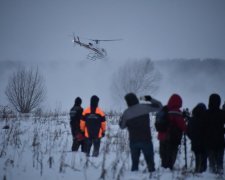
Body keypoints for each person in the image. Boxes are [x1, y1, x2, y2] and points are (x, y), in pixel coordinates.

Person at [119, 93, 162, 172]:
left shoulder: (126, 113)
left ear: (127, 102)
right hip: (146, 140)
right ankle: (152, 176)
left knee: (135, 165)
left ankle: (133, 176)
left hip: (133, 141)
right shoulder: (144, 107)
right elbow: (159, 107)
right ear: (136, 99)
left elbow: (122, 126)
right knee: (150, 164)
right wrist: (149, 99)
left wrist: (121, 119)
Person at [157, 94, 187, 170]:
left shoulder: (164, 110)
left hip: (162, 137)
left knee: (163, 154)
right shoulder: (177, 112)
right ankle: (169, 169)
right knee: (171, 154)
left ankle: (164, 168)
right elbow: (183, 126)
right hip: (172, 138)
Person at [203, 93, 225, 174]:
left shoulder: (206, 113)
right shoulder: (222, 113)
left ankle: (211, 175)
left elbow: (202, 127)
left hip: (209, 141)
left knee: (211, 162)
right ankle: (220, 173)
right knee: (220, 162)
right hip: (220, 141)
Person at [187, 103, 207, 173]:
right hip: (204, 143)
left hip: (195, 143)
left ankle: (197, 171)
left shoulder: (192, 119)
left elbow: (188, 131)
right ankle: (202, 173)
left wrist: (193, 138)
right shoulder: (206, 119)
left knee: (197, 157)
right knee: (204, 159)